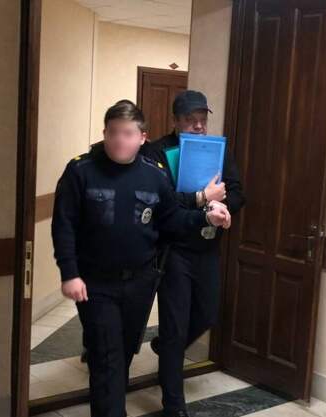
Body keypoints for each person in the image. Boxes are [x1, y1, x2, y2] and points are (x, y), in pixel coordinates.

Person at [51, 100, 232, 417]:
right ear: (105, 133)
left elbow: (172, 219)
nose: (119, 140)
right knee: (106, 357)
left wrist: (206, 217)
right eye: (113, 133)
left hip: (140, 282)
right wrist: (70, 273)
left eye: (127, 134)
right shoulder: (81, 171)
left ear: (142, 137)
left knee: (121, 355)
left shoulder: (154, 175)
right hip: (96, 284)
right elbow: (64, 225)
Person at [141, 90, 246, 417]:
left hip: (207, 248)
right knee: (175, 327)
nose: (199, 125)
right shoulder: (157, 152)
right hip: (174, 251)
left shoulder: (218, 149)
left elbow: (238, 191)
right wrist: (202, 197)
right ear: (176, 121)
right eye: (191, 119)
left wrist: (222, 205)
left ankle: (165, 349)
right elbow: (160, 201)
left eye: (202, 119)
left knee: (207, 314)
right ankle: (174, 404)